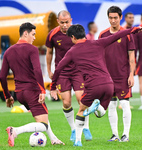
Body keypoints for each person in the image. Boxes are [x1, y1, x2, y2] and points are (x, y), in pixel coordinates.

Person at [50, 24, 142, 146]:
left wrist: (52, 87)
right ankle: (97, 107)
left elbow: (58, 68)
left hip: (93, 86)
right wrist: (133, 30)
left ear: (73, 37)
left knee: (81, 110)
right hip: (109, 84)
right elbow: (117, 35)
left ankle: (77, 140)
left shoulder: (72, 51)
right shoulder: (98, 43)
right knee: (101, 113)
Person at [0, 22, 64, 147]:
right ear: (25, 33)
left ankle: (54, 139)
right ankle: (15, 131)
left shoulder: (8, 52)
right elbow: (38, 71)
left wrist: (7, 96)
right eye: (33, 34)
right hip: (32, 91)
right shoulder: (32, 49)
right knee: (43, 124)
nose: (34, 38)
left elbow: (2, 77)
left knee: (42, 116)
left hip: (19, 93)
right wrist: (42, 90)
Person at [45, 10, 92, 142]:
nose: (65, 25)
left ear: (71, 20)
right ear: (58, 21)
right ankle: (73, 128)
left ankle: (85, 127)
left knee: (81, 99)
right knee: (66, 102)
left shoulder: (76, 32)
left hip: (78, 70)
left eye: (67, 22)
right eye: (62, 22)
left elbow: (86, 49)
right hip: (62, 72)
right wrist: (49, 70)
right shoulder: (52, 34)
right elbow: (49, 53)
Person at [99, 6, 135, 142]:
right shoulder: (102, 35)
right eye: (110, 18)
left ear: (120, 17)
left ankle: (126, 135)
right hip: (108, 77)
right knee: (112, 105)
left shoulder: (127, 34)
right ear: (108, 18)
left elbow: (132, 57)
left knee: (125, 104)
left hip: (123, 76)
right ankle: (115, 135)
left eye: (115, 18)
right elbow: (99, 56)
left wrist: (131, 75)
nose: (113, 20)